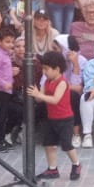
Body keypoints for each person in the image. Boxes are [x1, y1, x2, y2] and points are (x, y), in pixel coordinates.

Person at [30, 51, 83, 179]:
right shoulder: (47, 82)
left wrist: (39, 94)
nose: (44, 72)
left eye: (46, 69)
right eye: (43, 68)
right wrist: (35, 93)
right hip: (51, 119)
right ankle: (52, 169)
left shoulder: (62, 82)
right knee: (49, 144)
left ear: (57, 69)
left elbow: (55, 99)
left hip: (65, 120)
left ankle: (76, 164)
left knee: (66, 145)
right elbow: (39, 99)